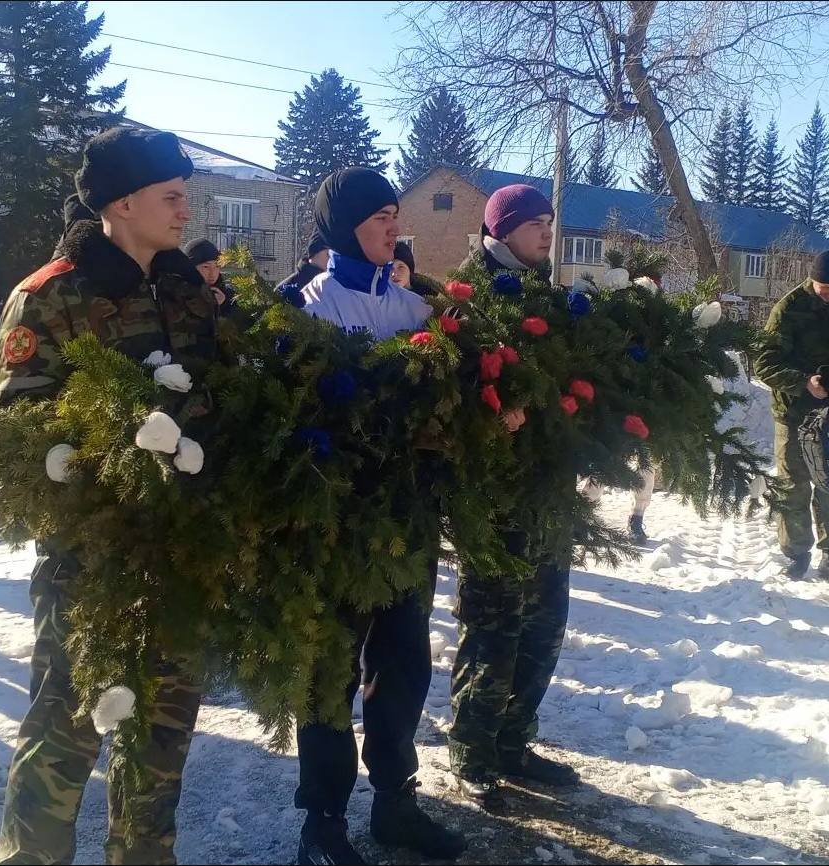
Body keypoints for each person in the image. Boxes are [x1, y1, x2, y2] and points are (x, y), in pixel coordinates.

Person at [0, 127, 217, 866]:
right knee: (67, 727)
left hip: (181, 548)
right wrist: (118, 456)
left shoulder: (187, 293)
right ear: (122, 203)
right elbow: (27, 437)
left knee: (164, 728)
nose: (186, 210)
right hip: (93, 556)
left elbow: (219, 398)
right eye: (171, 196)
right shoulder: (51, 295)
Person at [294, 167, 464, 865]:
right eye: (378, 219)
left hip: (406, 522)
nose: (393, 228)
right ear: (344, 228)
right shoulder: (307, 307)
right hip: (336, 525)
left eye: (396, 215)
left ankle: (397, 801)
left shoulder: (415, 310)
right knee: (329, 669)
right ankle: (323, 823)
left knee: (403, 664)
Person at [448, 182, 580, 815]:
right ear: (501, 231)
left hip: (547, 492)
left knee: (545, 624)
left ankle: (512, 742)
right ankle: (472, 753)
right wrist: (495, 417)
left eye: (549, 222)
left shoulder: (549, 297)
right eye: (535, 224)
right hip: (495, 495)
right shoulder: (469, 296)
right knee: (493, 629)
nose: (547, 232)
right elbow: (451, 390)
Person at [755, 249, 829, 584]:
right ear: (812, 280)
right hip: (795, 413)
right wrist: (804, 382)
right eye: (825, 288)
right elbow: (765, 362)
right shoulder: (789, 308)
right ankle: (796, 553)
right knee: (793, 485)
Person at [278, 231, 329, 308]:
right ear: (314, 253)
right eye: (328, 254)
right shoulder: (295, 287)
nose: (332, 257)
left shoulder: (304, 278)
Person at [183, 237, 233, 311]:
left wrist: (223, 304)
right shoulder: (174, 295)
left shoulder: (230, 296)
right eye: (206, 267)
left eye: (217, 266)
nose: (212, 273)